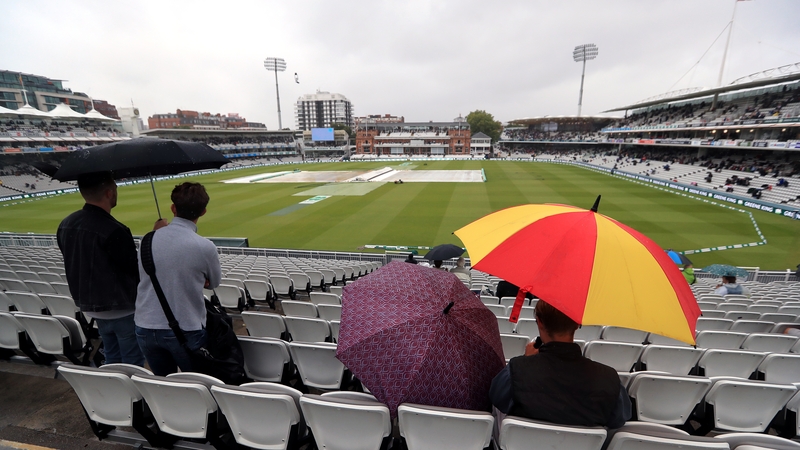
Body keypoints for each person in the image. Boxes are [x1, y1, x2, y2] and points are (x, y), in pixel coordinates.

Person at [57, 172, 164, 366]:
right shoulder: (114, 229)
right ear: (108, 193)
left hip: (91, 306)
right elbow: (138, 269)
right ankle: (131, 395)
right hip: (121, 308)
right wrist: (155, 237)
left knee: (112, 357)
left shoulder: (66, 224)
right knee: (132, 361)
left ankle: (114, 393)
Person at [489, 300, 631, 428]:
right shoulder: (609, 378)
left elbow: (496, 398)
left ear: (539, 322)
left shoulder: (516, 370)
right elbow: (618, 419)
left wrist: (525, 362)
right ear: (577, 324)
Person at [134, 182, 222, 376]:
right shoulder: (205, 247)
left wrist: (155, 232)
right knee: (198, 386)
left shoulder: (147, 239)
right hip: (186, 328)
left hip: (145, 327)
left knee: (165, 388)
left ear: (173, 208)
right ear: (204, 211)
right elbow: (214, 283)